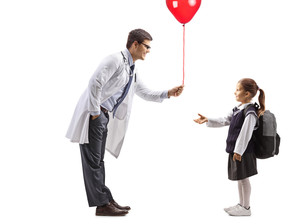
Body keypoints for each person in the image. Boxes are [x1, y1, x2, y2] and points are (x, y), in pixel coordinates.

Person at [66, 29, 184, 216]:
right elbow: (95, 83)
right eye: (147, 46)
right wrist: (96, 114)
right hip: (94, 115)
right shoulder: (114, 60)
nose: (149, 50)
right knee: (93, 161)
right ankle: (102, 205)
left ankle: (105, 199)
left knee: (98, 160)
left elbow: (144, 92)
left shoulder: (131, 69)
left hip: (103, 117)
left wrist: (168, 93)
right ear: (135, 44)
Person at [194, 78, 265, 216]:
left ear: (247, 94)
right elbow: (225, 120)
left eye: (238, 89)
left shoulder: (250, 112)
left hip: (243, 151)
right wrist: (208, 119)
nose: (235, 92)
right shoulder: (238, 109)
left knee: (244, 178)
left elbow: (246, 133)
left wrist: (238, 151)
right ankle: (241, 204)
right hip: (236, 151)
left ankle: (246, 207)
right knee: (240, 177)